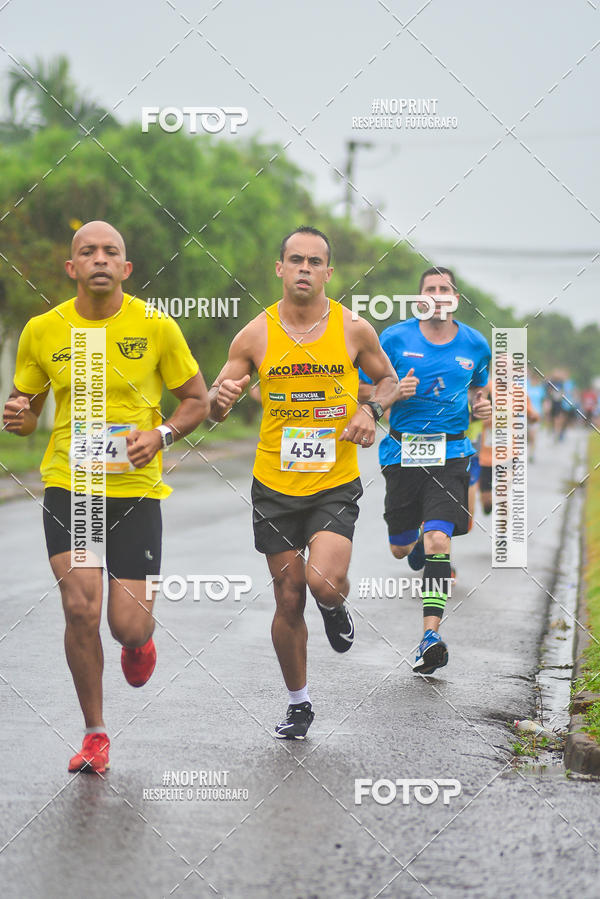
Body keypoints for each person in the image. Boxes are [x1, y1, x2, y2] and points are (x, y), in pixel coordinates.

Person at [3, 221, 209, 773]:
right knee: (80, 607)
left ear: (126, 268)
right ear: (71, 268)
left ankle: (139, 644)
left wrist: (162, 434)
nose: (99, 258)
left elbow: (197, 399)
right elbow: (25, 413)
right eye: (87, 251)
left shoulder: (156, 327)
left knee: (127, 624)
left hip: (136, 493)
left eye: (110, 251)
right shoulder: (43, 331)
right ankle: (95, 733)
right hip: (70, 487)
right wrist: (18, 418)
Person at [209, 226, 397, 739]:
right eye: (296, 259)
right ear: (280, 268)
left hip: (333, 480)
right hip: (273, 484)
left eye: (315, 261)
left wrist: (371, 409)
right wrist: (218, 402)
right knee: (289, 597)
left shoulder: (353, 328)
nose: (305, 269)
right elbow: (217, 404)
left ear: (328, 272)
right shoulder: (254, 334)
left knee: (321, 582)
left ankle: (334, 606)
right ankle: (299, 703)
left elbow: (388, 379)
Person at [359, 267, 492, 675]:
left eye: (445, 289)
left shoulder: (475, 343)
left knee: (439, 537)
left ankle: (430, 635)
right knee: (402, 547)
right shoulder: (394, 338)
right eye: (430, 289)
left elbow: (479, 392)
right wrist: (394, 390)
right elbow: (363, 387)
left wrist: (482, 408)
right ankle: (414, 544)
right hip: (402, 453)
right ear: (420, 298)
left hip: (452, 453)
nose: (437, 295)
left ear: (455, 297)